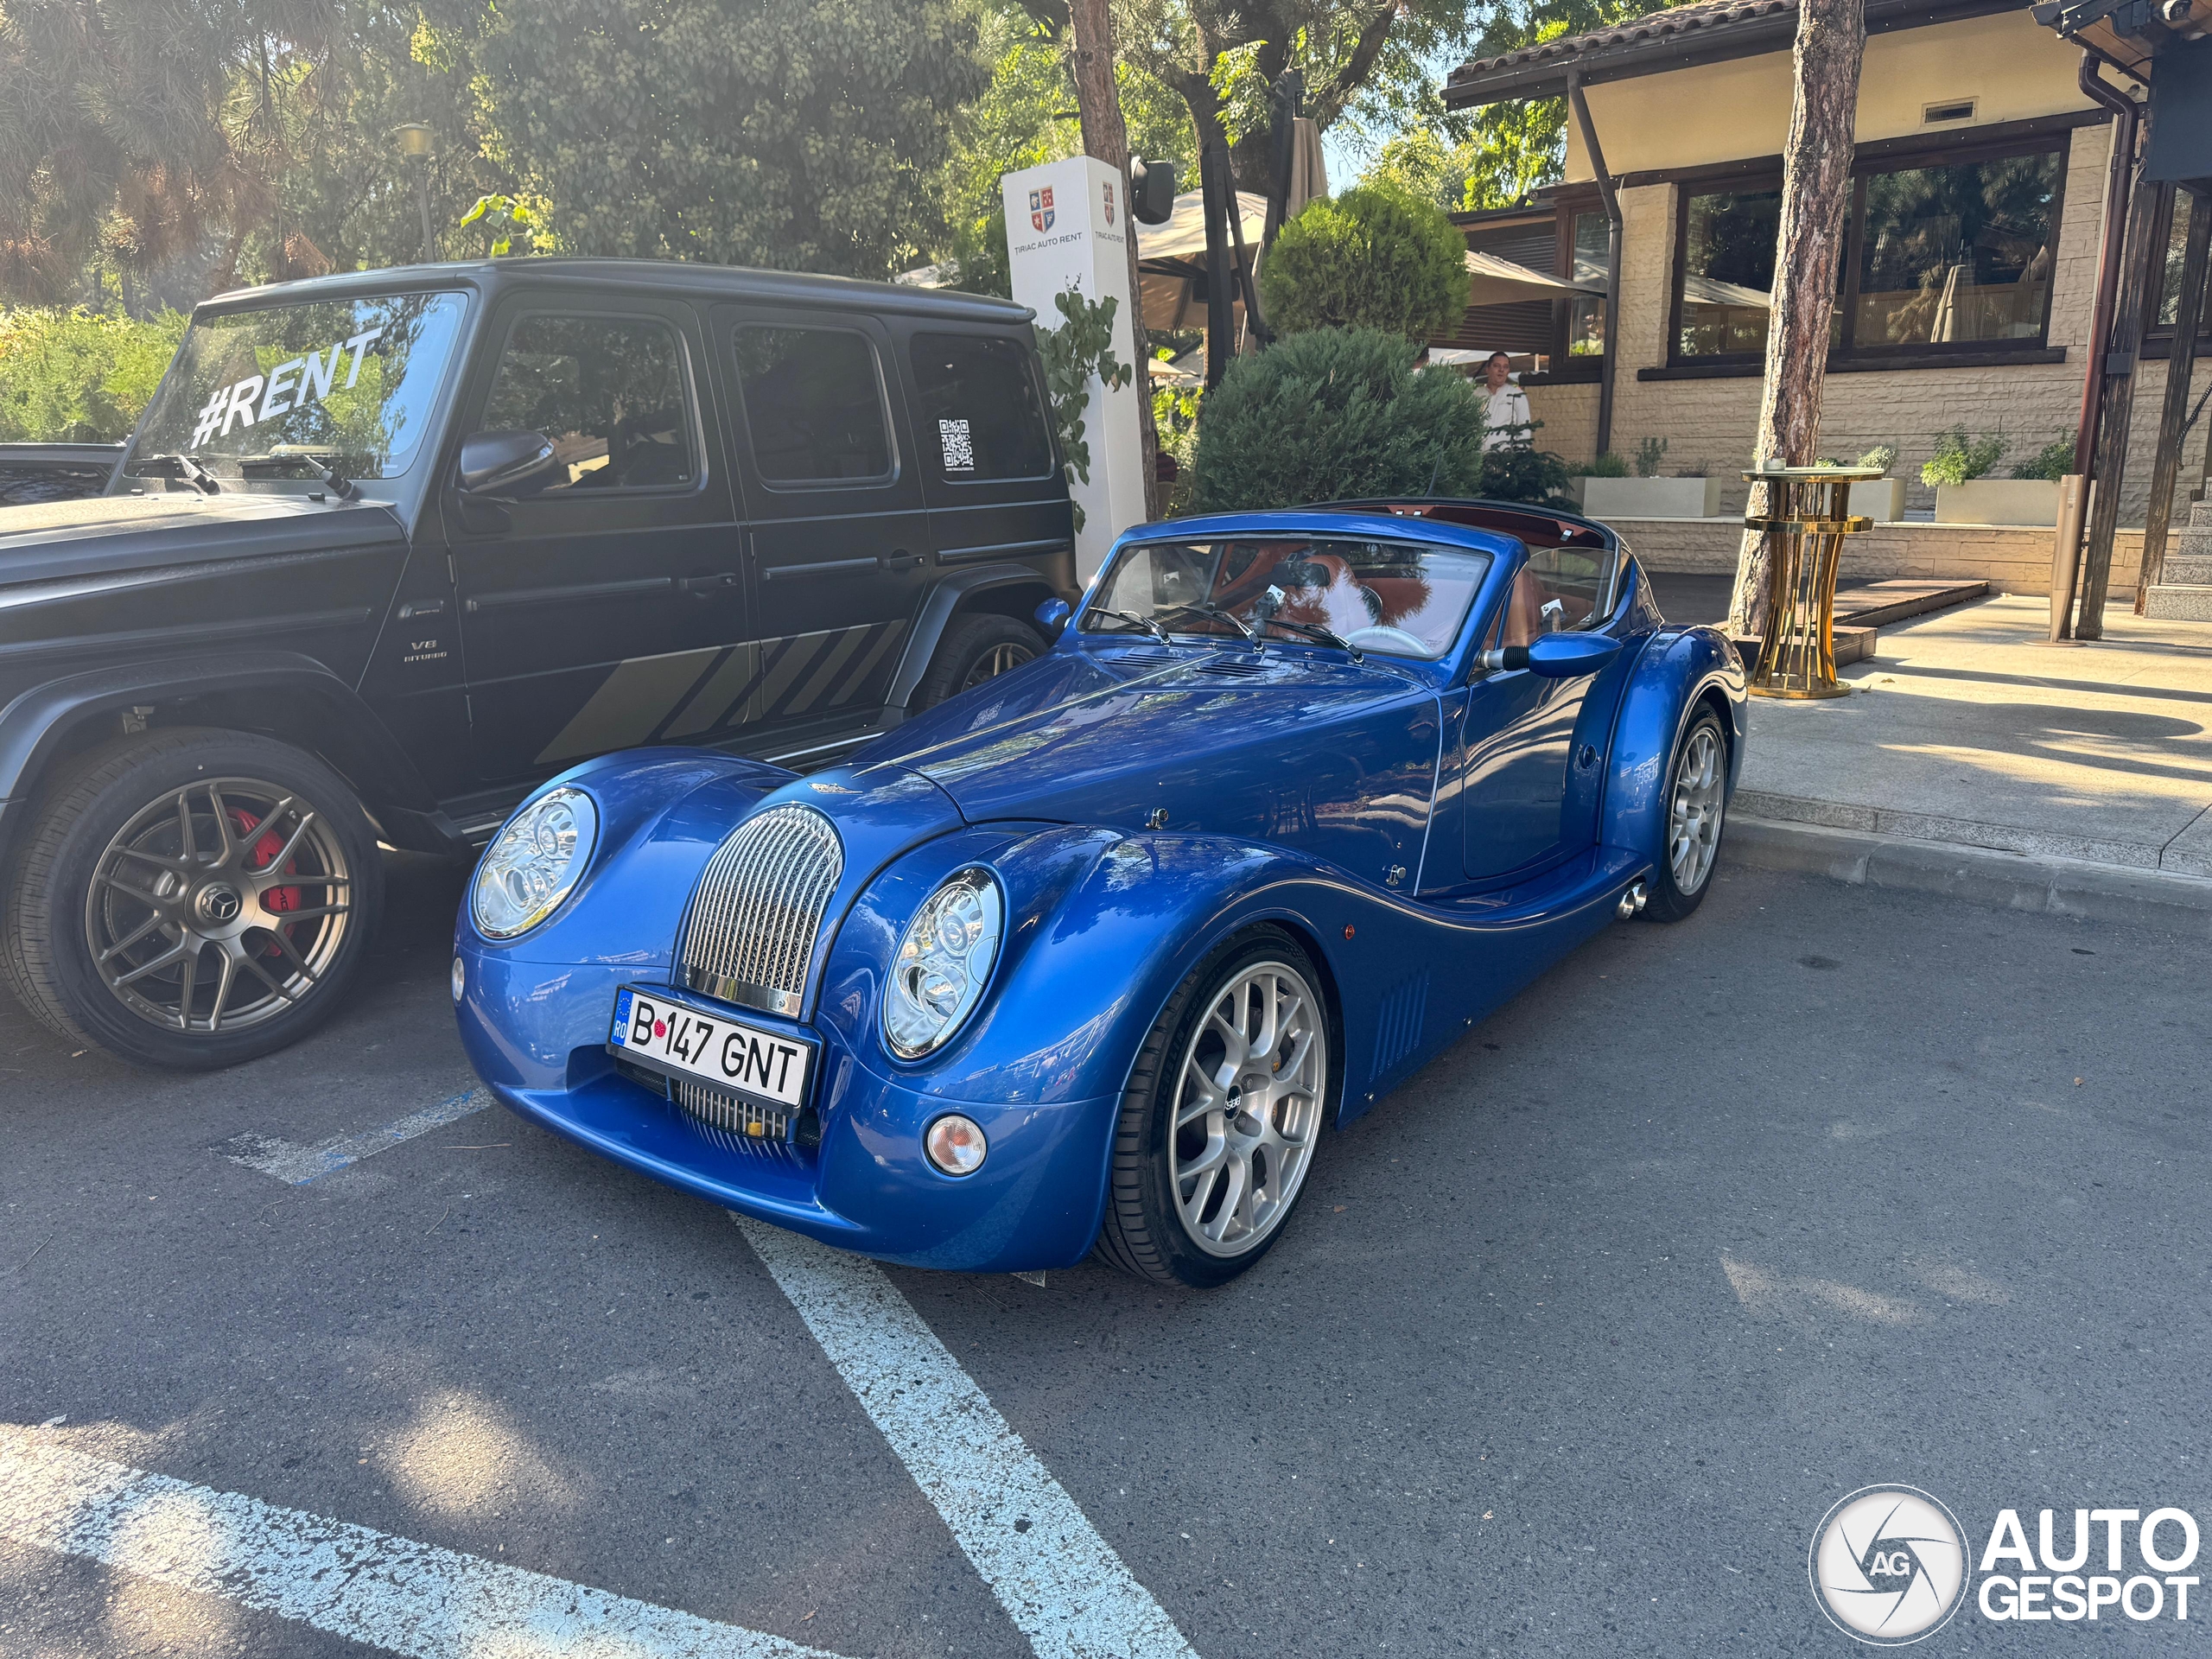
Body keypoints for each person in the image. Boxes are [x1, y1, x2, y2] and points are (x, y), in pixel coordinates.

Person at [1478, 351, 1533, 452]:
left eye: (1505, 367)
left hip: (1505, 458)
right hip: (1477, 459)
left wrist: (1519, 457)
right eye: (1496, 366)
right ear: (1488, 369)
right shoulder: (1475, 395)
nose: (1501, 370)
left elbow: (1524, 428)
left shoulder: (1517, 395)